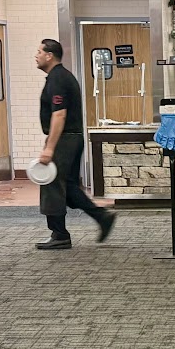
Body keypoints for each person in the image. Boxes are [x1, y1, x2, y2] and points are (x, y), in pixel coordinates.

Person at [32, 38, 114, 251]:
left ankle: (59, 234)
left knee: (51, 183)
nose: (36, 56)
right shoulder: (59, 76)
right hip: (71, 137)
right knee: (68, 187)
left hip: (65, 139)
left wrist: (50, 148)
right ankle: (102, 217)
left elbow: (59, 114)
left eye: (39, 52)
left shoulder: (58, 79)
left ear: (49, 55)